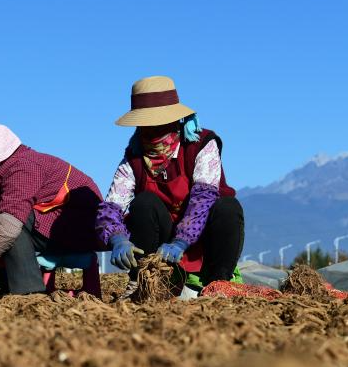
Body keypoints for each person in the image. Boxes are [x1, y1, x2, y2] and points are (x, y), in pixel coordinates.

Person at [96, 76, 245, 298]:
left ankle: (218, 281)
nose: (151, 131)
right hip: (162, 242)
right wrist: (116, 237)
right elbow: (112, 205)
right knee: (143, 204)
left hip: (203, 236)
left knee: (227, 207)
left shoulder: (200, 144)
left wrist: (180, 242)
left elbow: (203, 199)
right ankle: (146, 279)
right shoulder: (135, 155)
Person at [0, 119, 102, 295]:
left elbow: (7, 230)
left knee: (10, 224)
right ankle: (6, 289)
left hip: (77, 229)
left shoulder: (21, 167)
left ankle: (29, 292)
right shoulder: (3, 171)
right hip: (51, 226)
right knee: (3, 219)